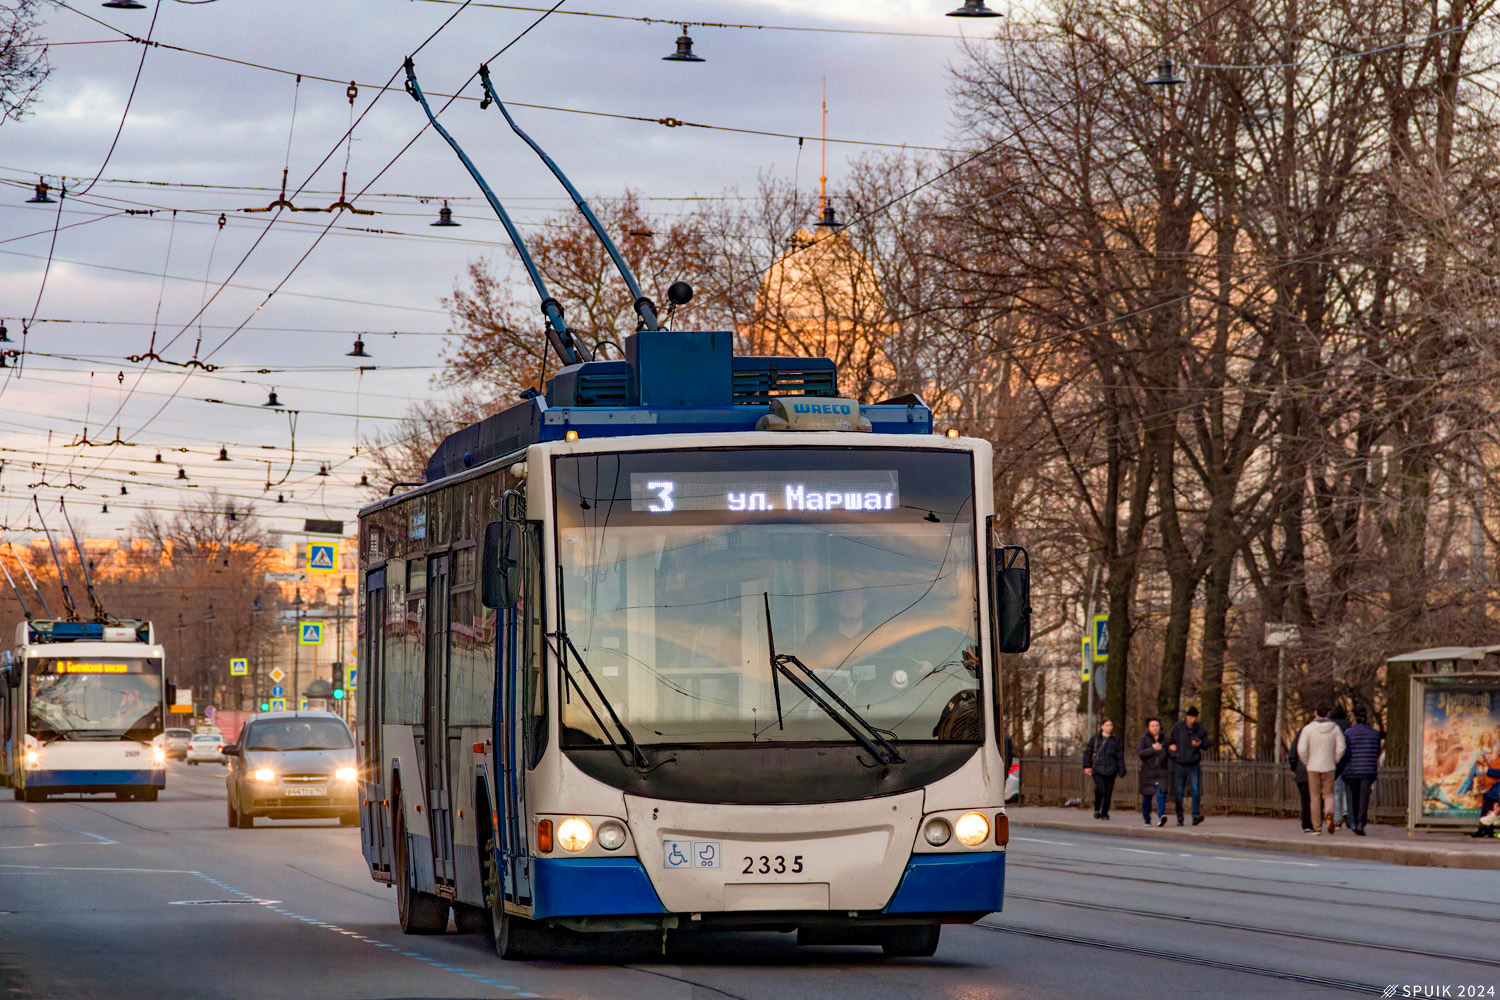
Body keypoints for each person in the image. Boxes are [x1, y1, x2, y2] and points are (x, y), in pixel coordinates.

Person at [1297, 704, 1347, 835]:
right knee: (1329, 794)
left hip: (1313, 767)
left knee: (1314, 797)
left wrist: (1307, 761)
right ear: (1328, 714)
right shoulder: (1335, 728)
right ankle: (1329, 813)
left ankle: (1317, 827)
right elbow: (1341, 747)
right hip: (1329, 766)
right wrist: (1335, 759)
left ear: (1315, 712)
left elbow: (1301, 749)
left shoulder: (1308, 729)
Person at [1342, 707, 1383, 836]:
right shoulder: (1375, 733)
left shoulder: (1348, 733)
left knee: (1354, 797)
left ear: (1354, 718)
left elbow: (1345, 752)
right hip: (1368, 770)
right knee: (1364, 797)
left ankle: (1355, 822)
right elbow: (1377, 751)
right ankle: (1361, 822)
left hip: (1352, 770)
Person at [1167, 706, 1208, 826]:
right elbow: (1170, 742)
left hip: (1193, 763)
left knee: (1195, 790)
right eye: (1190, 717)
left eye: (1194, 717)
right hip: (1180, 763)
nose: (1192, 720)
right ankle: (1180, 816)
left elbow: (1207, 742)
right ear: (1187, 717)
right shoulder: (1178, 727)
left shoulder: (1199, 728)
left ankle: (1195, 815)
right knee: (1179, 791)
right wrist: (1174, 753)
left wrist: (1200, 744)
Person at [1083, 719, 1125, 820]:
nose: (1109, 727)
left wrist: (1121, 768)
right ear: (1102, 727)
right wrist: (1086, 766)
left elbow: (1119, 755)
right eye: (1107, 725)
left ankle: (1105, 812)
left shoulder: (1115, 740)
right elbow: (1088, 752)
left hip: (1111, 768)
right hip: (1097, 768)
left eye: (1111, 725)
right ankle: (1097, 808)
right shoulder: (1096, 739)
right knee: (1099, 789)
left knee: (1108, 791)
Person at [1136, 717, 1170, 826]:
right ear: (1148, 728)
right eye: (1153, 726)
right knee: (1147, 796)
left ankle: (1161, 816)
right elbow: (1140, 753)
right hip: (1148, 772)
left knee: (1161, 795)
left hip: (1161, 772)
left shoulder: (1164, 739)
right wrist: (1153, 749)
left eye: (1157, 726)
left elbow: (1169, 753)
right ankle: (1147, 818)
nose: (1155, 728)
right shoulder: (1144, 739)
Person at [1329, 704, 1352, 829]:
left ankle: (1337, 820)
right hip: (1348, 764)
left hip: (1335, 763)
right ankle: (1347, 813)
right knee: (1346, 790)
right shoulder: (1349, 726)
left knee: (1336, 792)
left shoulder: (1331, 727)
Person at [1287, 728, 1315, 833]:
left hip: (1301, 771)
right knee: (1315, 798)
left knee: (1305, 799)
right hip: (1315, 769)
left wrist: (1294, 766)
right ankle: (1313, 822)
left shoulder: (1301, 733)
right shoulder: (1318, 732)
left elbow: (1293, 752)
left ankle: (1307, 823)